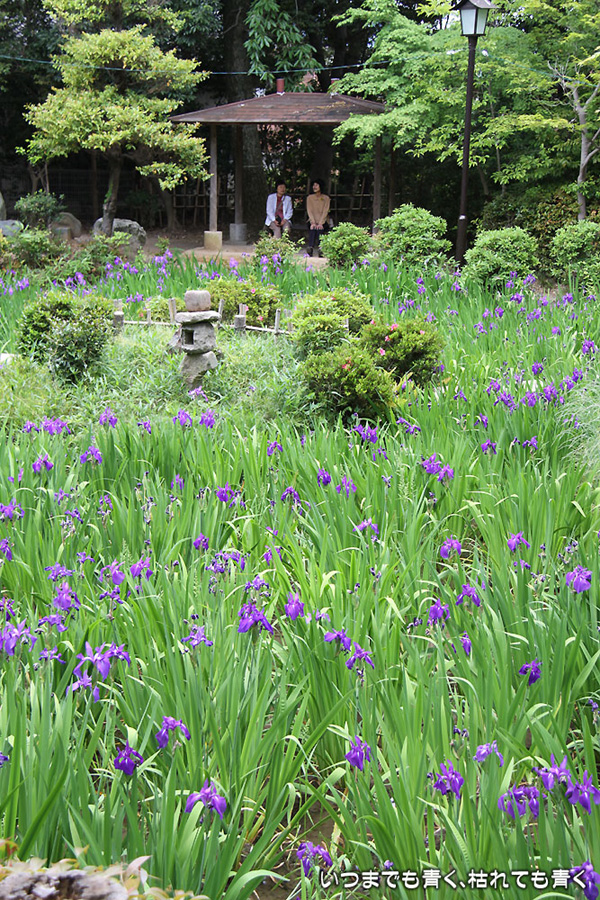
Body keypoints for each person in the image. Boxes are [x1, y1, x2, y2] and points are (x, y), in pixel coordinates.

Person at [306, 179, 331, 256]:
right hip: (312, 220)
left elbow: (325, 211)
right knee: (313, 228)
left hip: (323, 221)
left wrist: (320, 223)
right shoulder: (309, 198)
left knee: (320, 228)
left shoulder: (326, 198)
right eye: (314, 185)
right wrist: (313, 222)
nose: (314, 187)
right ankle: (310, 247)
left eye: (316, 185)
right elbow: (309, 210)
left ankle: (321, 248)